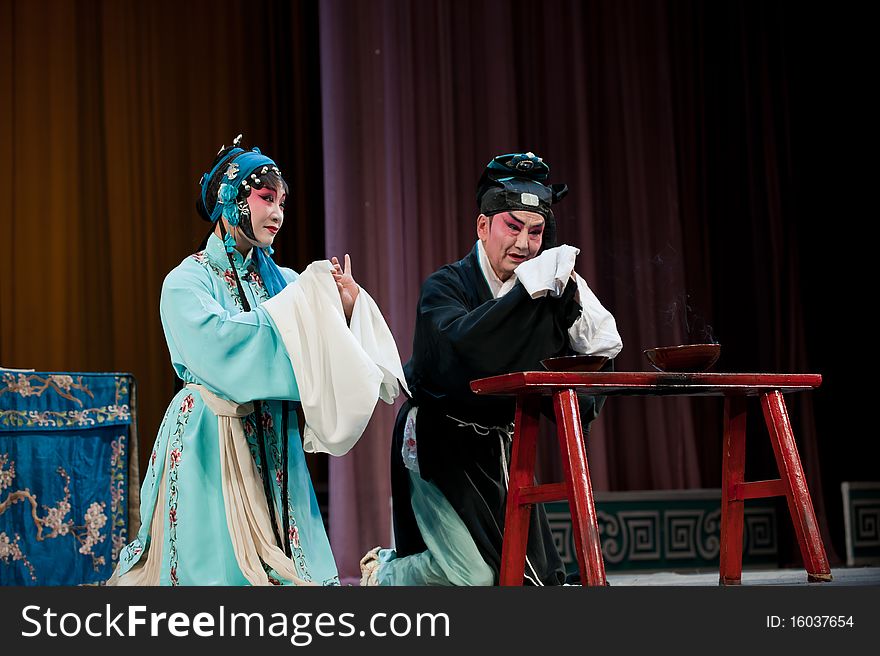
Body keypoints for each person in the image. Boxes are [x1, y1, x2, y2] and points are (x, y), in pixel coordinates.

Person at [109, 135, 406, 586]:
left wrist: (342, 312)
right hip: (212, 437)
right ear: (231, 198)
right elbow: (219, 350)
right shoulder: (186, 281)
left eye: (282, 202)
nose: (278, 213)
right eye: (266, 198)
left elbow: (323, 353)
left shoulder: (285, 283)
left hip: (276, 437)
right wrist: (305, 320)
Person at [360, 152, 622, 586]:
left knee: (521, 579)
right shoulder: (446, 287)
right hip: (437, 444)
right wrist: (524, 304)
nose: (523, 243)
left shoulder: (547, 290)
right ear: (483, 226)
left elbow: (593, 355)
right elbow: (457, 353)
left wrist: (571, 313)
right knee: (476, 578)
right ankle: (384, 573)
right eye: (512, 227)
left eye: (535, 232)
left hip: (501, 448)